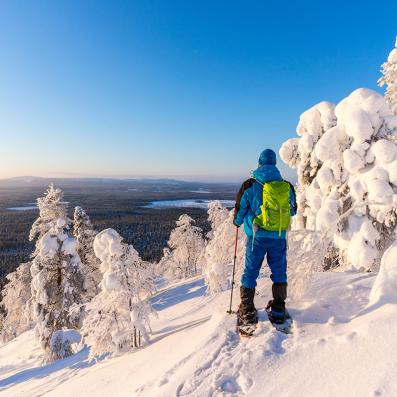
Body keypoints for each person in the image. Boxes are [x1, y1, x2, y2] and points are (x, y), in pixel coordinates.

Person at [233, 149, 297, 327]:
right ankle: (278, 309)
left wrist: (237, 222)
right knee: (279, 270)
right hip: (278, 236)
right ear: (275, 163)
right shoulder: (286, 186)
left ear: (259, 163)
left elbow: (240, 209)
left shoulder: (250, 185)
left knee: (251, 271)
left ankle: (247, 310)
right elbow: (293, 210)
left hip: (256, 237)